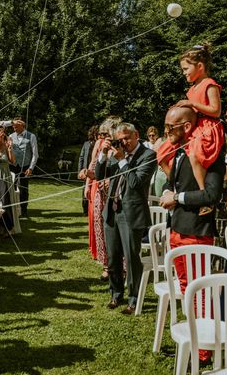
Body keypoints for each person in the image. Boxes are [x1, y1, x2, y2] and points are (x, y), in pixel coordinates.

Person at [159, 106, 225, 361]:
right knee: (187, 289)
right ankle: (192, 340)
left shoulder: (211, 154)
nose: (166, 132)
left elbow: (211, 195)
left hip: (196, 232)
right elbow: (172, 181)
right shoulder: (180, 151)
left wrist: (177, 198)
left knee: (199, 291)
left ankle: (203, 351)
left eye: (170, 127)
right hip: (177, 228)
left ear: (187, 126)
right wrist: (168, 191)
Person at [95, 122, 156, 315]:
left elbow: (136, 182)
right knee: (112, 257)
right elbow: (99, 176)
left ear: (136, 134)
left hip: (131, 214)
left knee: (131, 258)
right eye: (119, 140)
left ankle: (134, 298)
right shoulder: (116, 154)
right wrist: (103, 155)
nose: (123, 143)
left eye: (126, 138)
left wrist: (122, 160)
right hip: (112, 210)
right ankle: (116, 293)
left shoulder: (148, 155)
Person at [157, 43, 224, 215]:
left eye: (186, 68)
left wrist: (192, 104)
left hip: (207, 128)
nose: (184, 72)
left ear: (200, 66)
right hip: (192, 128)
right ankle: (173, 184)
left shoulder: (210, 84)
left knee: (195, 153)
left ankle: (203, 193)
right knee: (162, 153)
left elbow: (216, 111)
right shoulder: (191, 89)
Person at [87, 117, 121, 281]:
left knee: (116, 230)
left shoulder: (122, 146)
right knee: (100, 228)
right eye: (102, 135)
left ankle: (121, 265)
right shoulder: (100, 147)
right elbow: (93, 168)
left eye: (105, 134)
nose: (102, 137)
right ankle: (106, 266)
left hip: (117, 194)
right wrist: (88, 179)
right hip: (101, 193)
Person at [0, 124, 17, 233]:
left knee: (6, 202)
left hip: (5, 176)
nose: (2, 134)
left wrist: (10, 149)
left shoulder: (6, 145)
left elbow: (13, 161)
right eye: (0, 132)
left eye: (3, 132)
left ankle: (7, 228)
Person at [10, 118, 38, 217]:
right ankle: (13, 209)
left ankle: (23, 209)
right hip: (13, 165)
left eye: (16, 126)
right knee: (11, 187)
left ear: (22, 125)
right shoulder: (10, 136)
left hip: (25, 166)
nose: (14, 128)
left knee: (23, 188)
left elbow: (35, 154)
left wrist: (31, 168)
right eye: (13, 126)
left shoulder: (31, 136)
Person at [78, 125, 98, 217]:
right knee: (84, 190)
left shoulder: (98, 144)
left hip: (94, 171)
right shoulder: (86, 144)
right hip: (85, 169)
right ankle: (85, 209)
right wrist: (80, 170)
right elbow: (81, 157)